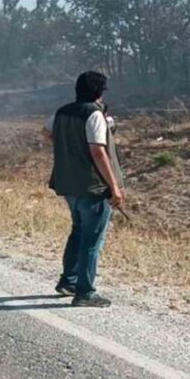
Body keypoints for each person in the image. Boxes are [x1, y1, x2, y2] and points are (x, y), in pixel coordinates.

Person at [42, 71, 125, 308]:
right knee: (91, 240)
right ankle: (85, 292)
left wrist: (69, 147)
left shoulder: (62, 112)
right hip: (92, 186)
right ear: (100, 92)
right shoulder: (94, 114)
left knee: (78, 231)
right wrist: (114, 187)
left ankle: (68, 281)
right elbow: (99, 152)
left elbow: (47, 132)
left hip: (68, 184)